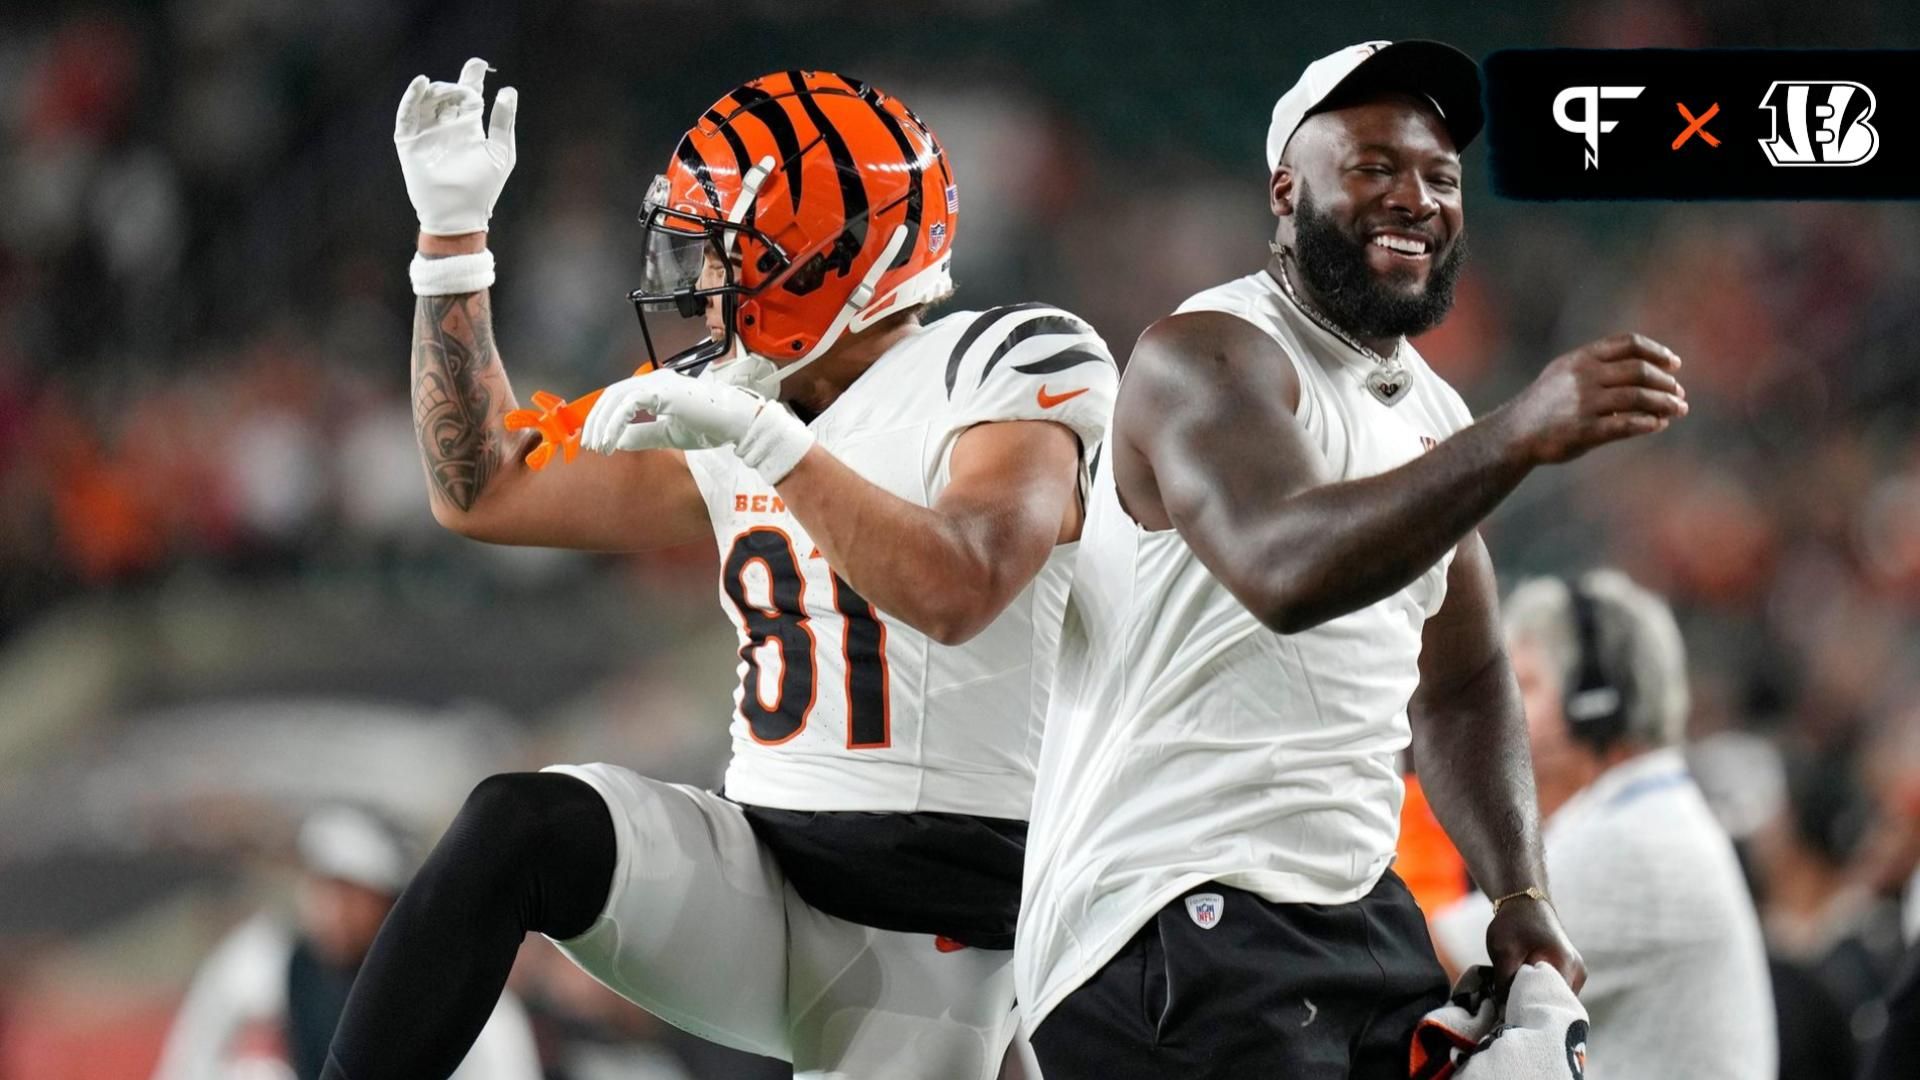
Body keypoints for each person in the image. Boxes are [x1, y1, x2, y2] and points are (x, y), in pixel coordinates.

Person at [324, 61, 1116, 1080]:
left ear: (833, 259)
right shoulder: (741, 397)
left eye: (730, 255)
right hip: (765, 873)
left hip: (953, 922)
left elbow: (959, 587)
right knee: (518, 829)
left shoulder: (1007, 362)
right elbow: (483, 490)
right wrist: (450, 248)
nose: (699, 284)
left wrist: (769, 442)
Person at [1015, 40, 1689, 1077]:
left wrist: (1518, 893)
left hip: (1348, 910)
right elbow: (1285, 569)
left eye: (1441, 176)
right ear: (1286, 192)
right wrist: (1520, 433)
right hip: (1164, 907)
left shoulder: (1430, 408)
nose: (1416, 197)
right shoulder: (1205, 354)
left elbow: (1462, 682)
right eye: (1375, 168)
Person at [1428, 570, 1776, 1079]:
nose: (1499, 712)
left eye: (1523, 685)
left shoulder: (1638, 841)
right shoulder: (1651, 811)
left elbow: (1429, 964)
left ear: (1595, 704)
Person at [153, 806, 538, 1080]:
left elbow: (509, 1064)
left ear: (389, 900)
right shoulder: (270, 960)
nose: (331, 909)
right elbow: (193, 1055)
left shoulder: (448, 980)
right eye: (322, 888)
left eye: (350, 893)